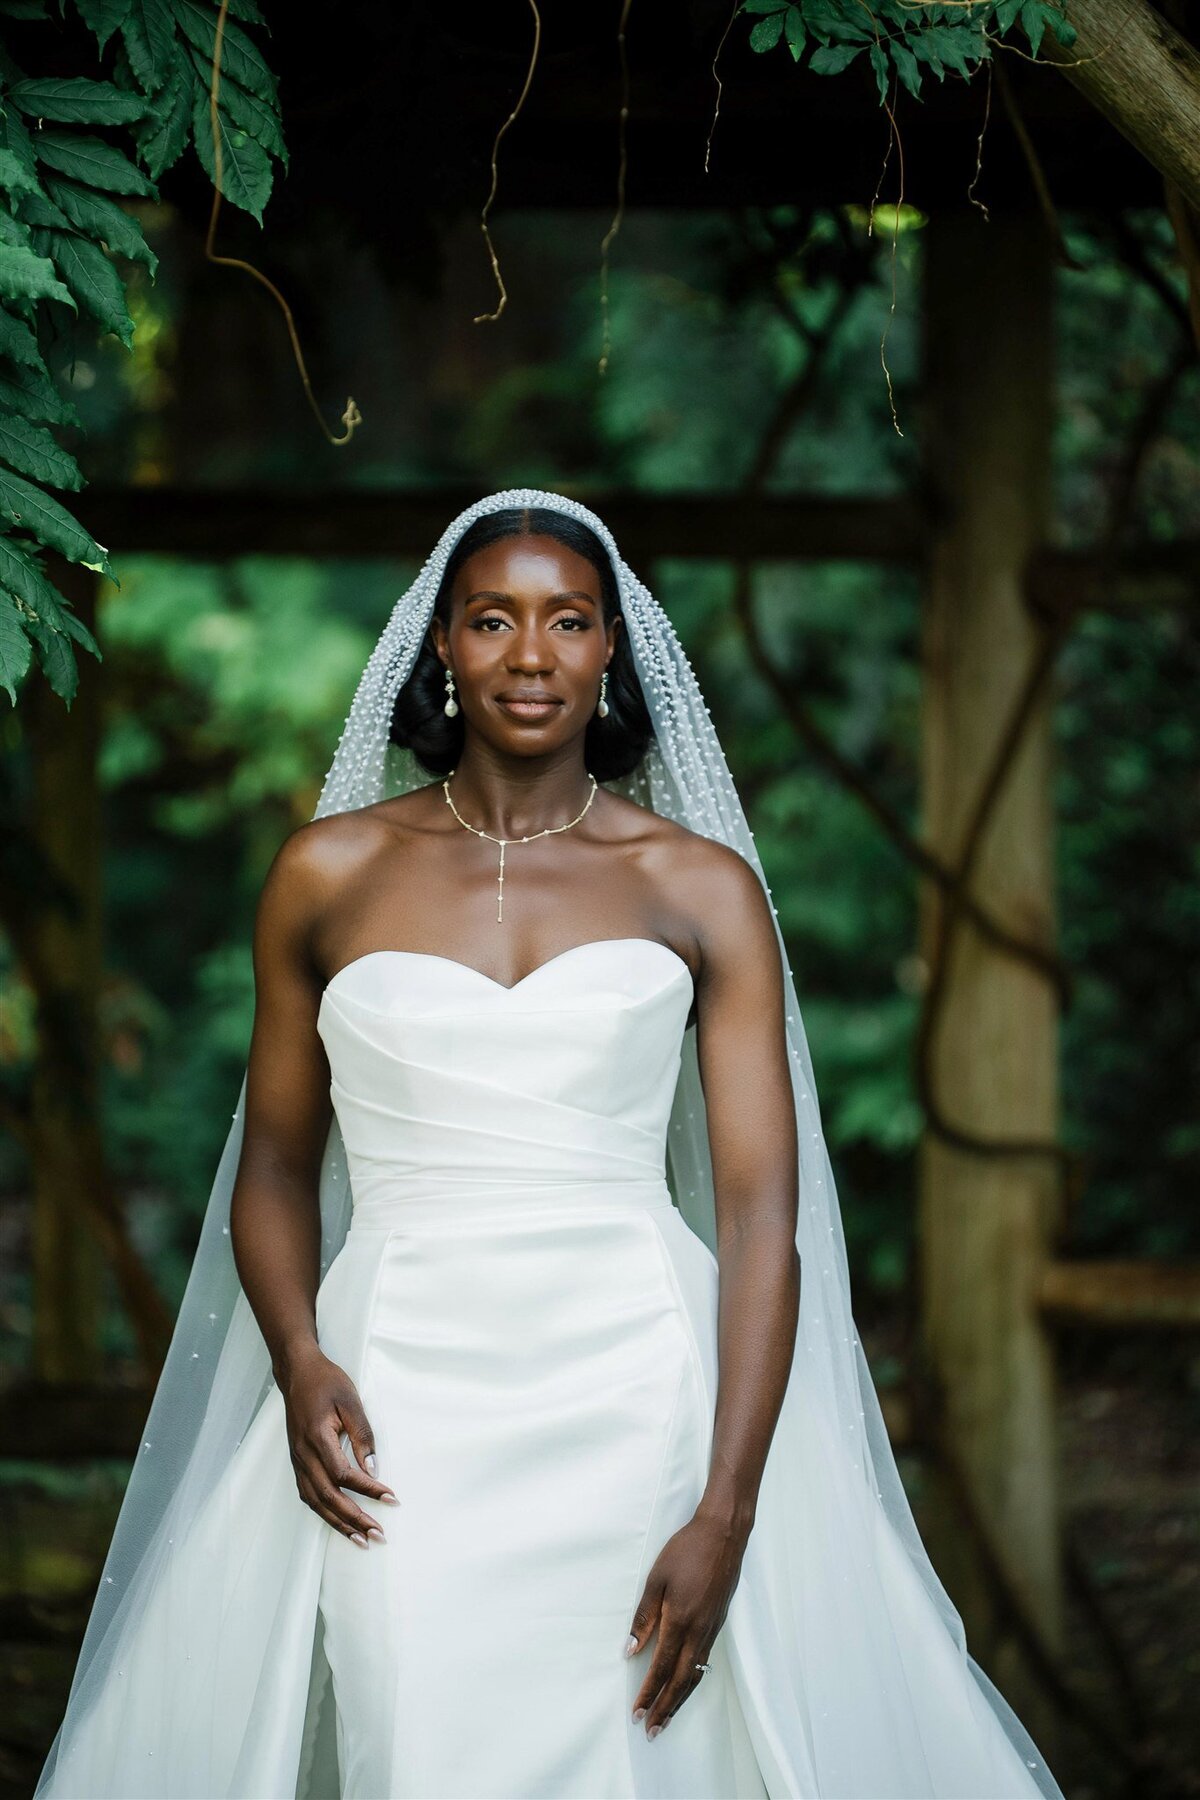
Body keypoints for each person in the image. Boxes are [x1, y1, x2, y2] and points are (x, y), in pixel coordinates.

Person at [35, 489, 1066, 1799]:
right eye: (493, 621)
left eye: (569, 620)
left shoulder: (698, 887)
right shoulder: (326, 874)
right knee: (418, 1730)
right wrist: (299, 1361)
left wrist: (731, 1503)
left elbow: (761, 1214)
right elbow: (279, 1167)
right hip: (394, 1408)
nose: (532, 655)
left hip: (649, 1396)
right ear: (442, 652)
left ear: (613, 652)